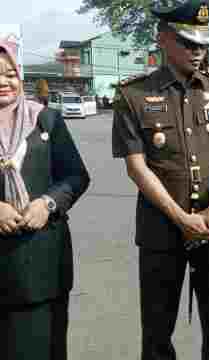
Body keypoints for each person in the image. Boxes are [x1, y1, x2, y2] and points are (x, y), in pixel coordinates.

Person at [111, 1, 209, 359]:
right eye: (188, 42)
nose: (197, 51)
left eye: (202, 44)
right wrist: (180, 217)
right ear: (163, 39)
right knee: (157, 333)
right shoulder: (133, 94)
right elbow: (137, 167)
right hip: (161, 229)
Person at [0, 40, 91, 359]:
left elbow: (76, 176)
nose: (4, 82)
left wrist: (47, 203)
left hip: (42, 268)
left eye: (10, 73)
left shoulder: (46, 119)